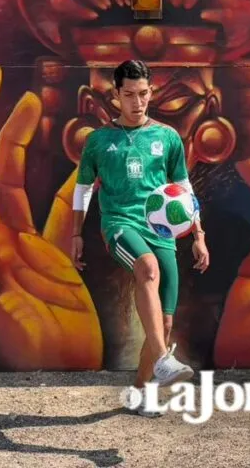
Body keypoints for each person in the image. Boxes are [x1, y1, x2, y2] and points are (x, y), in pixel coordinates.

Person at [70, 59, 209, 416]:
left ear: (151, 92)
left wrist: (198, 234)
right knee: (147, 268)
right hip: (119, 224)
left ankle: (140, 392)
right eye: (129, 94)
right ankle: (163, 359)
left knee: (164, 323)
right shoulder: (98, 141)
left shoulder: (167, 137)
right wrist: (77, 233)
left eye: (143, 93)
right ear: (116, 95)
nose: (138, 101)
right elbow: (83, 190)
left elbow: (183, 189)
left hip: (160, 230)